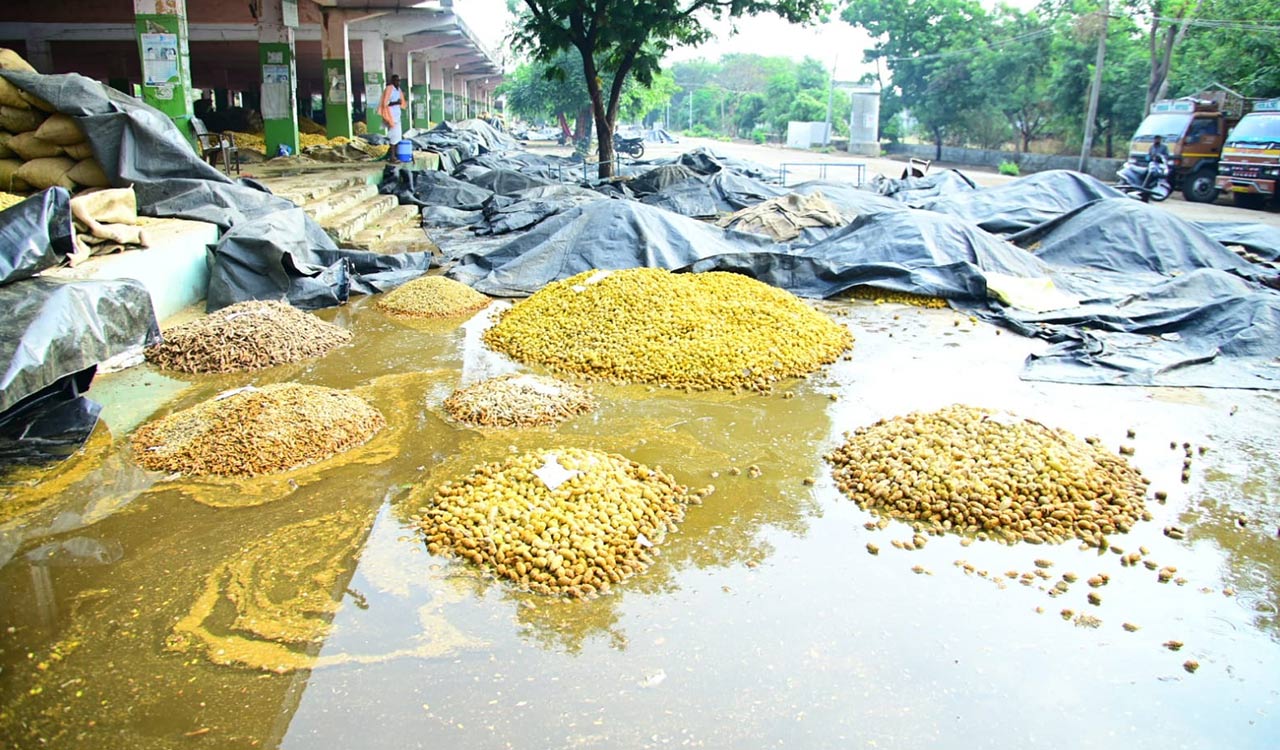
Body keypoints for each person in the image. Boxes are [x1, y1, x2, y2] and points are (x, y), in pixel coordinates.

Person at [378, 74, 403, 156]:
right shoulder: (389, 90)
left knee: (397, 136)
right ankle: (392, 157)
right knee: (393, 137)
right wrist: (396, 102)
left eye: (399, 80)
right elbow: (385, 103)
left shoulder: (398, 90)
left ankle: (394, 155)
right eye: (396, 80)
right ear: (392, 81)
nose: (398, 82)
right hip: (391, 117)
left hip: (397, 117)